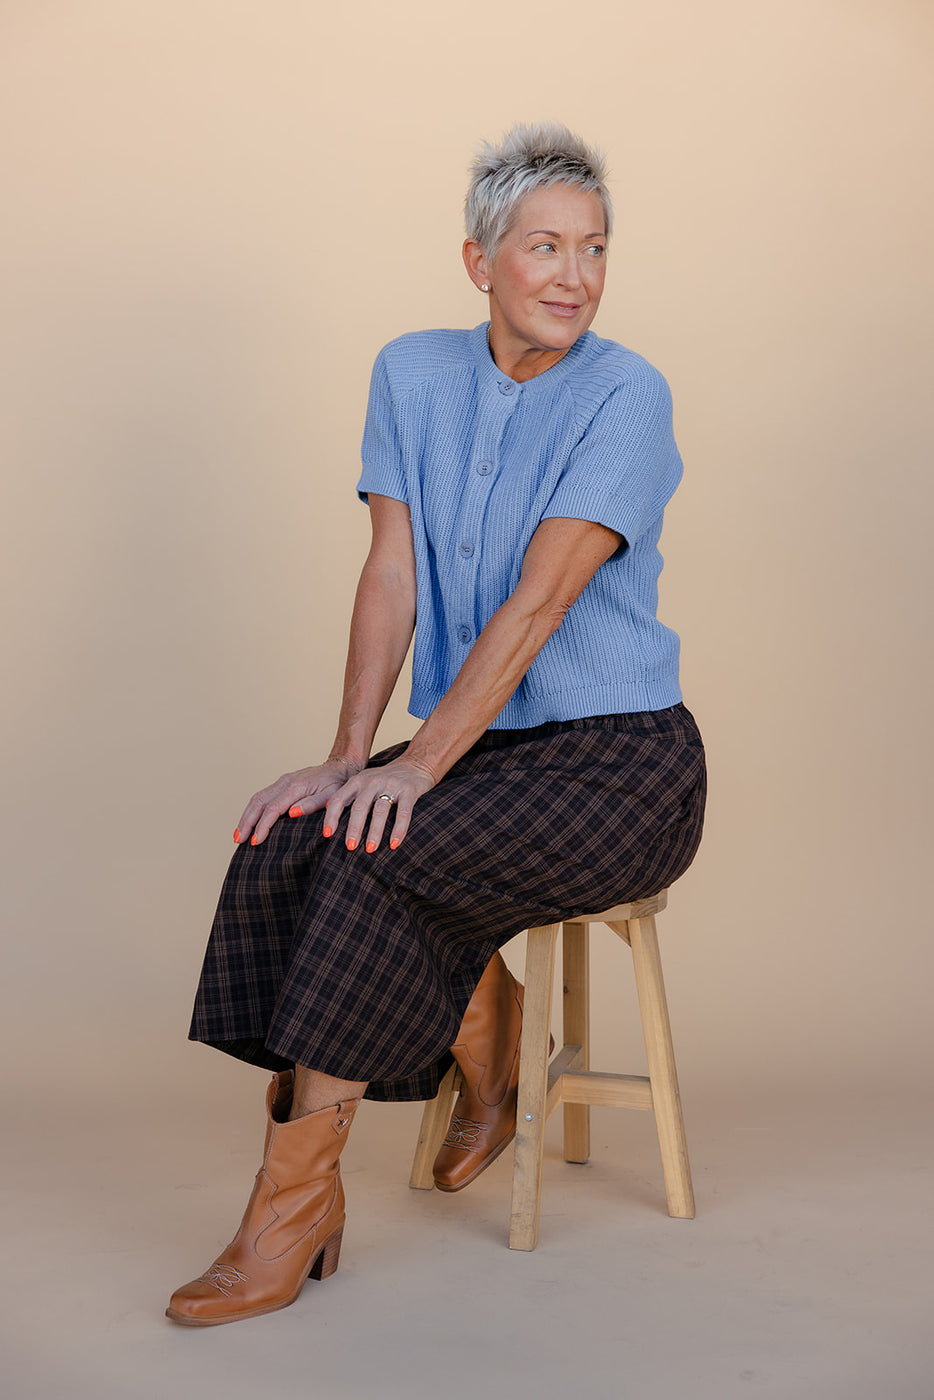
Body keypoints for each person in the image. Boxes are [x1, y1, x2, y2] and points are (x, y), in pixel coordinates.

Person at [166, 121, 706, 1327]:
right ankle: (484, 1019)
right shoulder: (411, 373)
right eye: (544, 246)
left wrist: (414, 767)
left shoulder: (627, 393)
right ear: (479, 261)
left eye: (595, 248)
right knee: (293, 835)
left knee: (383, 846)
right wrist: (346, 757)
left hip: (622, 764)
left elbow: (539, 604)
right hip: (487, 747)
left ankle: (287, 1209)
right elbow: (391, 572)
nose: (574, 274)